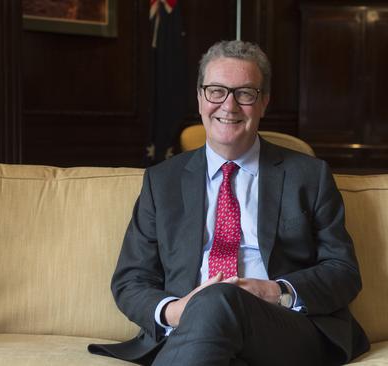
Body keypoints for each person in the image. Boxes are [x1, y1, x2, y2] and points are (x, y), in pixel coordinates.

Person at [89, 40, 369, 365]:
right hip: (190, 328)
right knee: (213, 313)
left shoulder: (309, 175)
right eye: (216, 91)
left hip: (284, 327)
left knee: (219, 297)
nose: (229, 105)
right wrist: (176, 310)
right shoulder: (161, 182)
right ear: (199, 98)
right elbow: (131, 279)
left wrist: (277, 291)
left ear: (264, 102)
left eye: (245, 93)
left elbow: (344, 271)